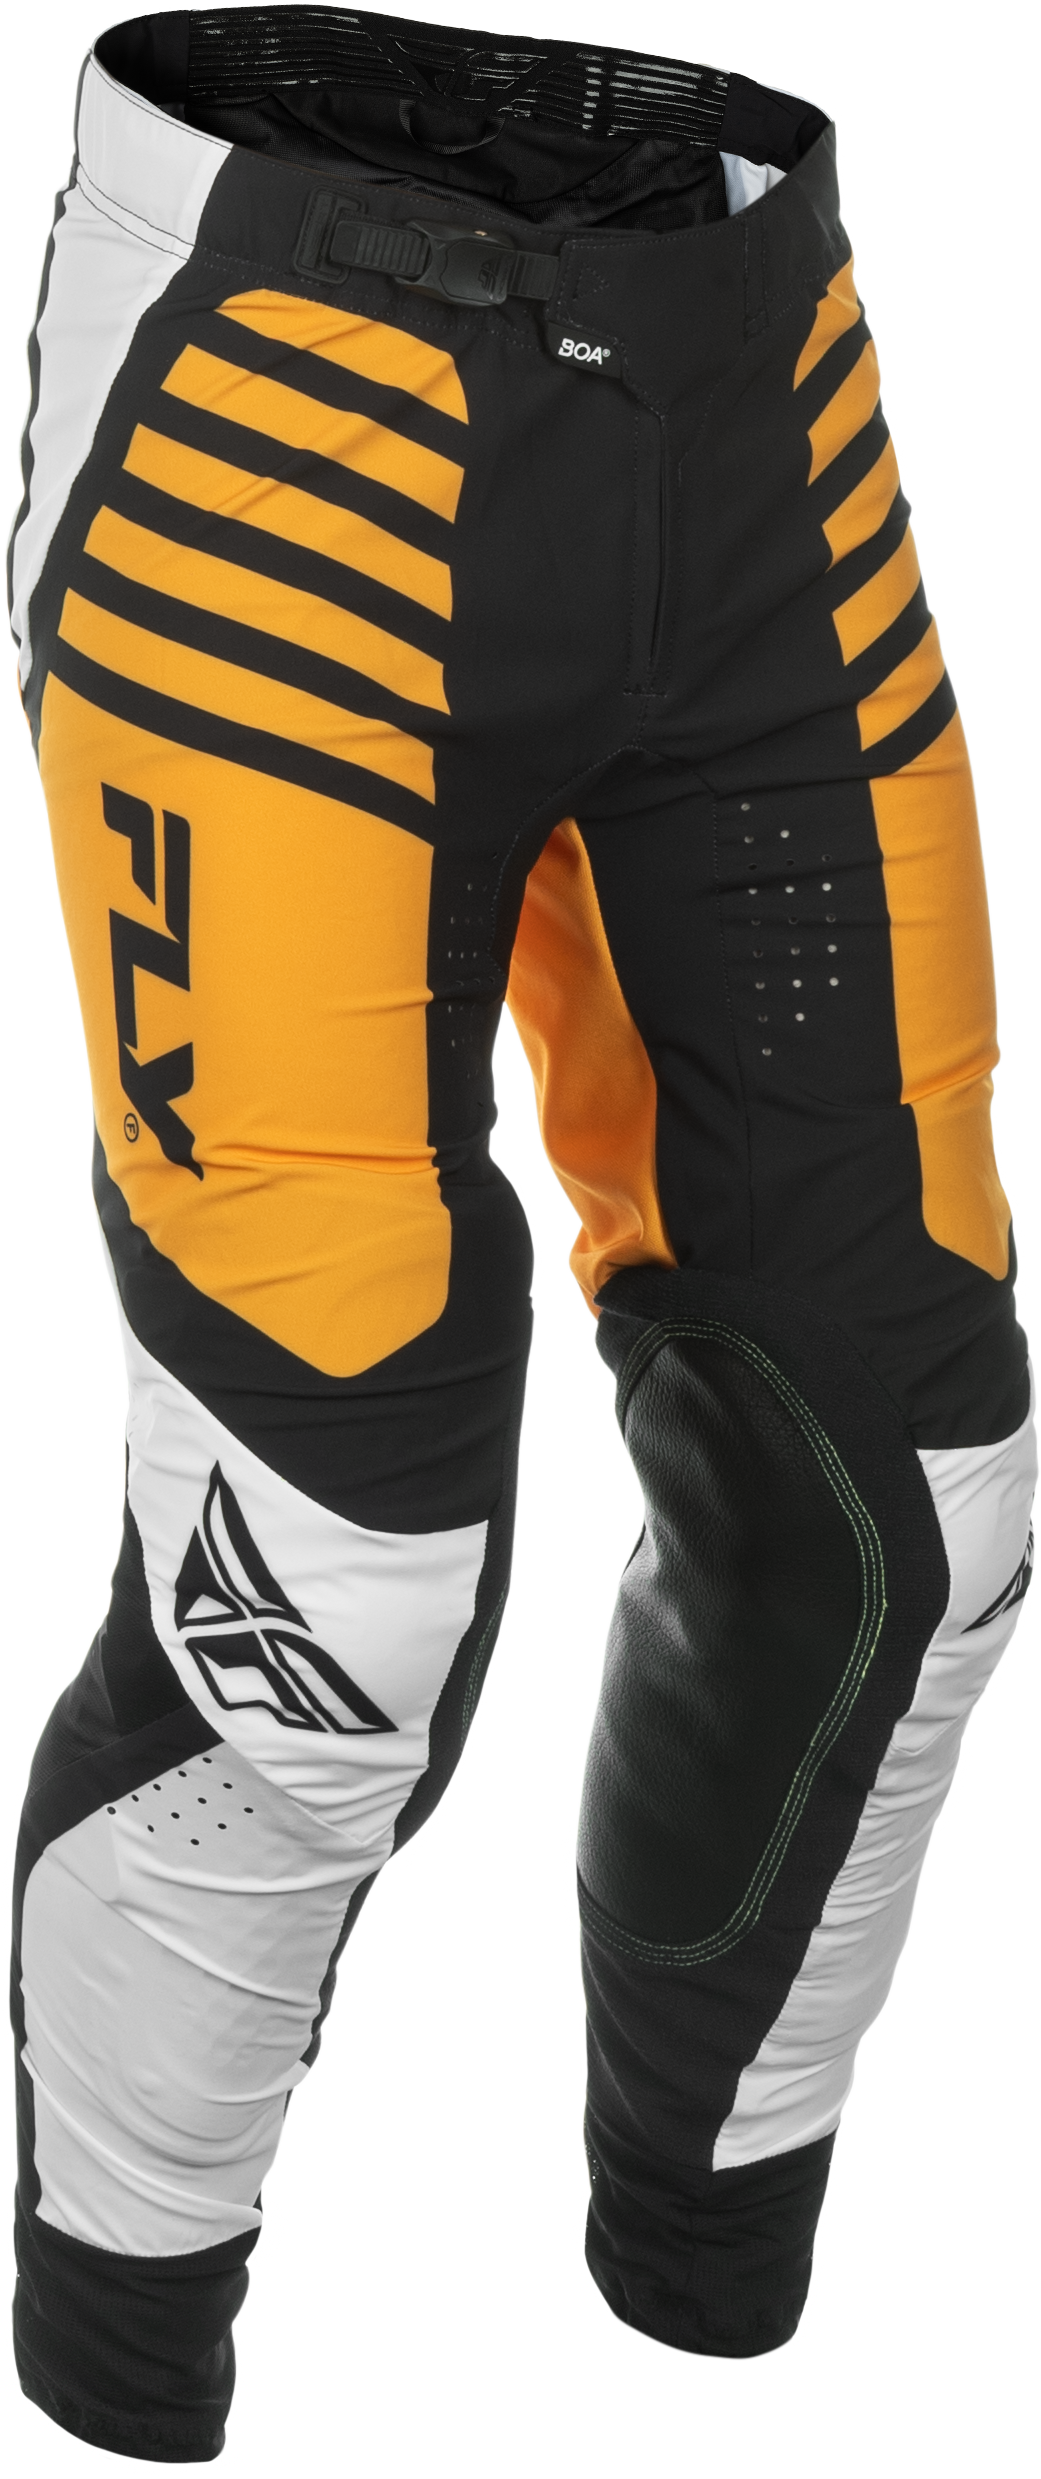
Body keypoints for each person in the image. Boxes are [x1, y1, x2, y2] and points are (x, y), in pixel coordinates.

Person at [7, 8, 1035, 2472]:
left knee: (900, 1512)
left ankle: (702, 2389)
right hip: (276, 439)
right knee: (314, 1619)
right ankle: (118, 2421)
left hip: (751, 382)